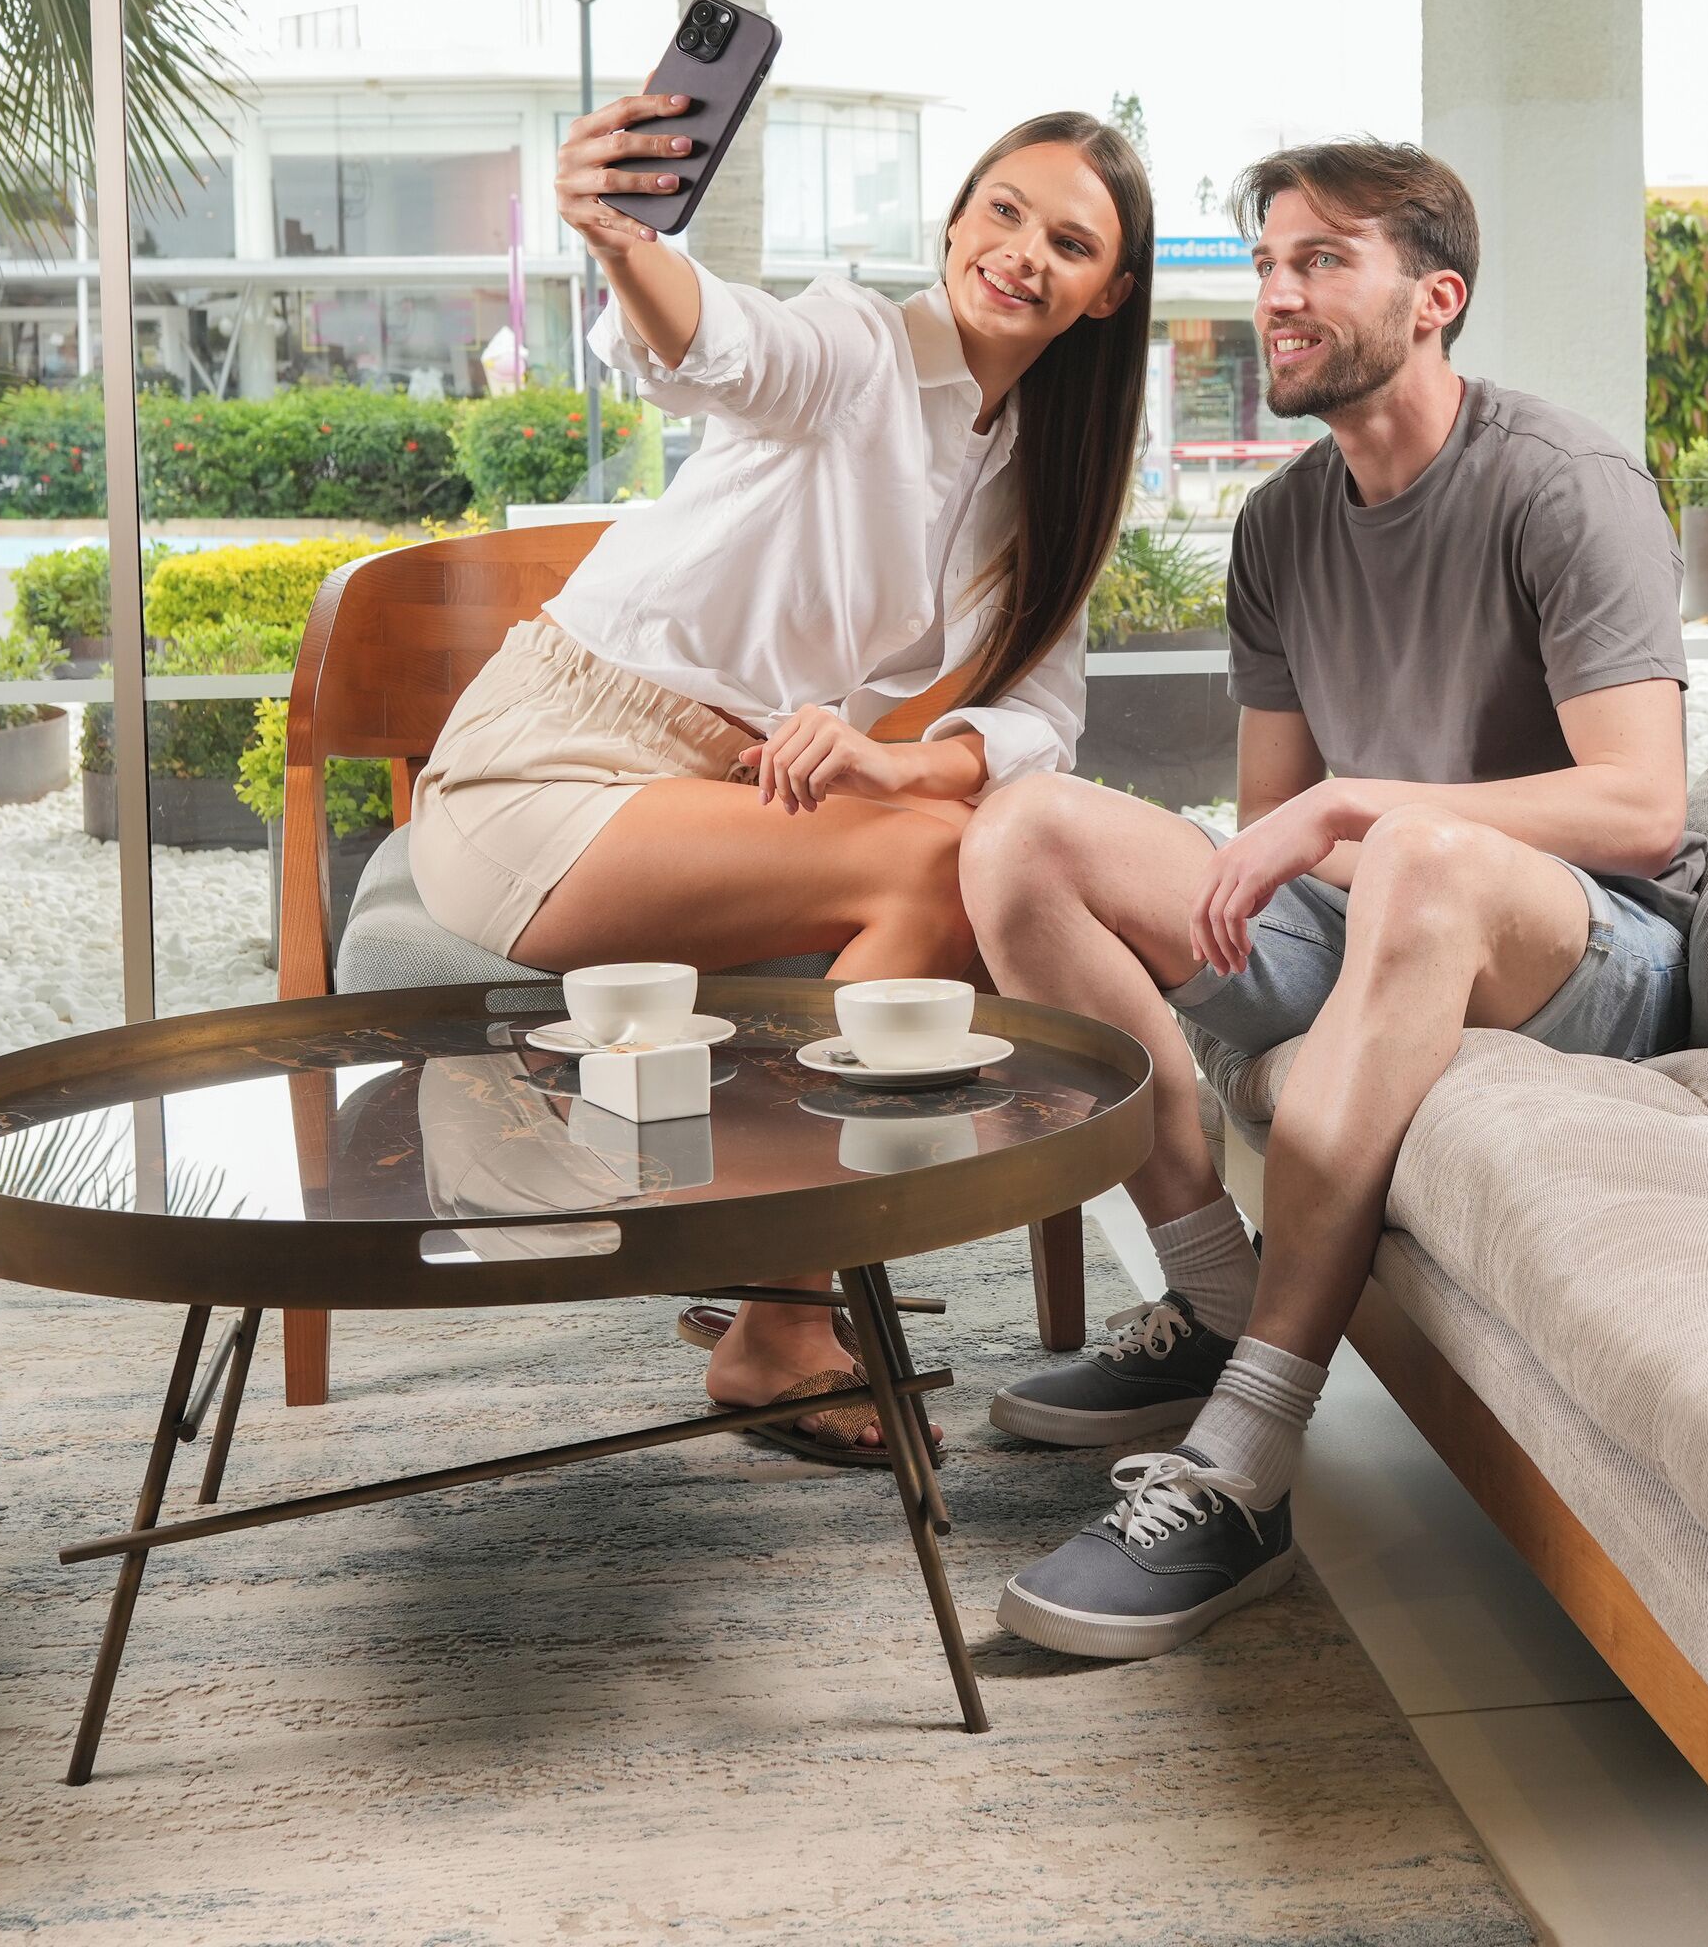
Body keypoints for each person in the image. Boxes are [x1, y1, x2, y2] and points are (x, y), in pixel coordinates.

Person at [960, 140, 1695, 1657]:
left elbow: (1642, 808)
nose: (1279, 294)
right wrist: (1316, 833)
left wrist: (1370, 810)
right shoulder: (1281, 528)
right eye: (1270, 263)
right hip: (1376, 913)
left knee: (1420, 857)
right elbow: (1272, 824)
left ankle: (1243, 1467)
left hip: (1583, 947)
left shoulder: (1566, 487)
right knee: (1019, 832)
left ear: (1437, 298)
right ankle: (1213, 1292)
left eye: (1324, 261)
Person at [405, 95, 1152, 1463]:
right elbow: (721, 344)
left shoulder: (1050, 480)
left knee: (964, 831)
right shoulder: (859, 349)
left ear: (1105, 297)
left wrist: (894, 756)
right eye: (1003, 210)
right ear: (953, 220)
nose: (1024, 252)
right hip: (545, 768)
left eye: (1070, 241)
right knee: (941, 856)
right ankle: (779, 1324)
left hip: (726, 788)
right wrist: (622, 239)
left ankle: (768, 1263)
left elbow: (1042, 713)